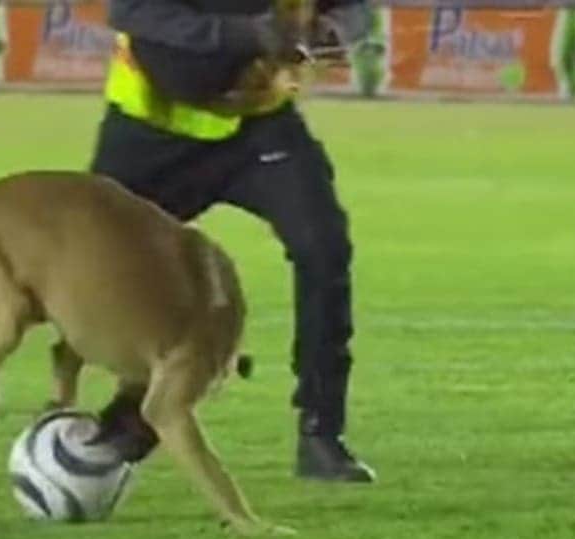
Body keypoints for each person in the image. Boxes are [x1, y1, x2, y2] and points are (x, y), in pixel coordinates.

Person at [88, 0, 377, 482]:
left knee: (323, 247)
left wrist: (331, 29)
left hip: (258, 127)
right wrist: (247, 35)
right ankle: (132, 409)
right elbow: (131, 11)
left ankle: (321, 432)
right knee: (99, 271)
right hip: (150, 130)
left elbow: (355, 9)